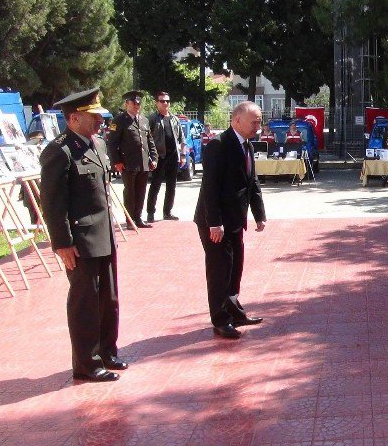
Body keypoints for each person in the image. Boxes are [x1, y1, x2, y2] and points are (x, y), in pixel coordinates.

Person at [39, 88, 128, 382]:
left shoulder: (98, 145)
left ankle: (106, 351)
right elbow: (53, 203)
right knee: (84, 302)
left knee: (108, 298)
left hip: (104, 233)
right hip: (79, 240)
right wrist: (62, 243)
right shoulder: (59, 151)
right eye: (93, 117)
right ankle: (86, 364)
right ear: (74, 118)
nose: (100, 122)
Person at [193, 101, 267, 340]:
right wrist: (214, 222)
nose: (259, 125)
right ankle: (220, 320)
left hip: (235, 220)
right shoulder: (219, 145)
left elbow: (251, 182)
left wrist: (259, 214)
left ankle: (234, 312)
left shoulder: (247, 145)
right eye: (254, 121)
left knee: (235, 269)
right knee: (219, 272)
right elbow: (210, 186)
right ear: (237, 121)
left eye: (259, 120)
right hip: (216, 223)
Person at [106, 90, 157, 229]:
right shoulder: (119, 120)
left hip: (143, 163)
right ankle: (130, 220)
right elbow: (112, 143)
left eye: (138, 104)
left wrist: (154, 158)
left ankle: (138, 218)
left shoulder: (144, 120)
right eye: (133, 104)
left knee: (141, 191)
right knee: (130, 193)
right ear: (126, 104)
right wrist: (116, 161)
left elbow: (149, 141)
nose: (136, 106)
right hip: (128, 163)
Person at [147, 91, 185, 222]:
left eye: (167, 101)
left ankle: (167, 212)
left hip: (173, 157)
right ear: (157, 103)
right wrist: (151, 157)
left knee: (171, 186)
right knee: (155, 185)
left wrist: (183, 155)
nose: (165, 103)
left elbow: (182, 139)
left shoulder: (174, 119)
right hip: (159, 158)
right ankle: (150, 213)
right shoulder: (152, 119)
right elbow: (147, 139)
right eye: (162, 101)